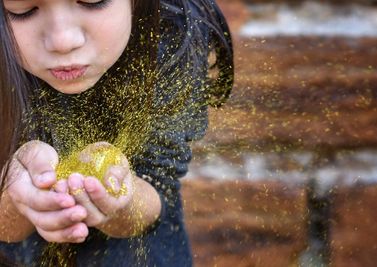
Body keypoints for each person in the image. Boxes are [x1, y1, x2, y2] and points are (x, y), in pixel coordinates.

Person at [0, 0, 233, 266]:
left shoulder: (170, 31)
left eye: (93, 1)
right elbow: (6, 229)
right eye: (23, 11)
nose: (63, 41)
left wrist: (125, 197)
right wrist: (13, 198)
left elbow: (158, 188)